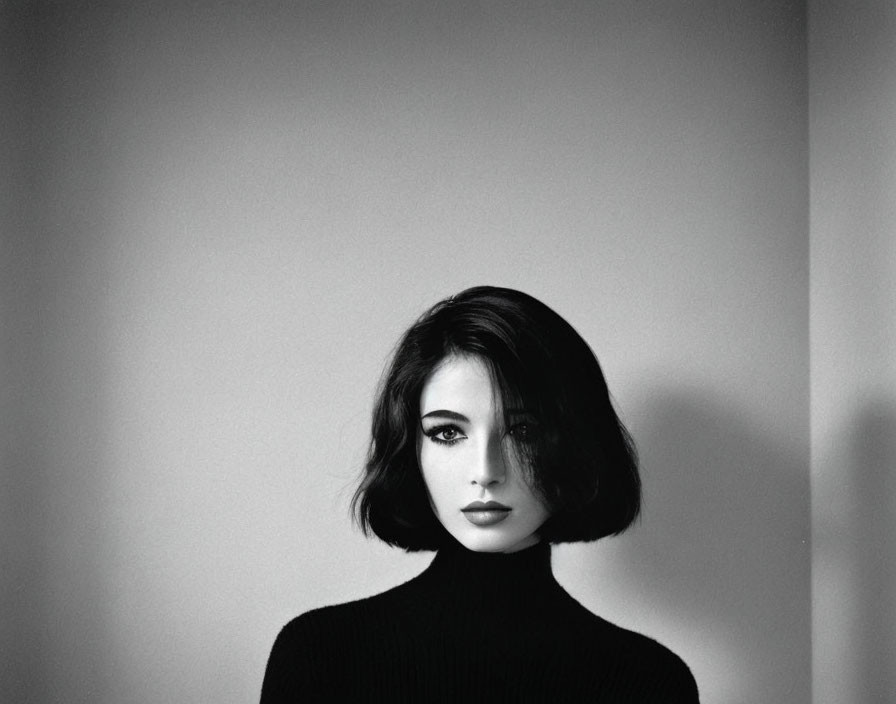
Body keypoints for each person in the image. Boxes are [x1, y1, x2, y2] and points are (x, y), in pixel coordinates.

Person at [260, 285, 699, 702]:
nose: (486, 472)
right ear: (411, 448)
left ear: (577, 443)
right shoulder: (318, 657)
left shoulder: (648, 683)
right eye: (448, 433)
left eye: (523, 431)